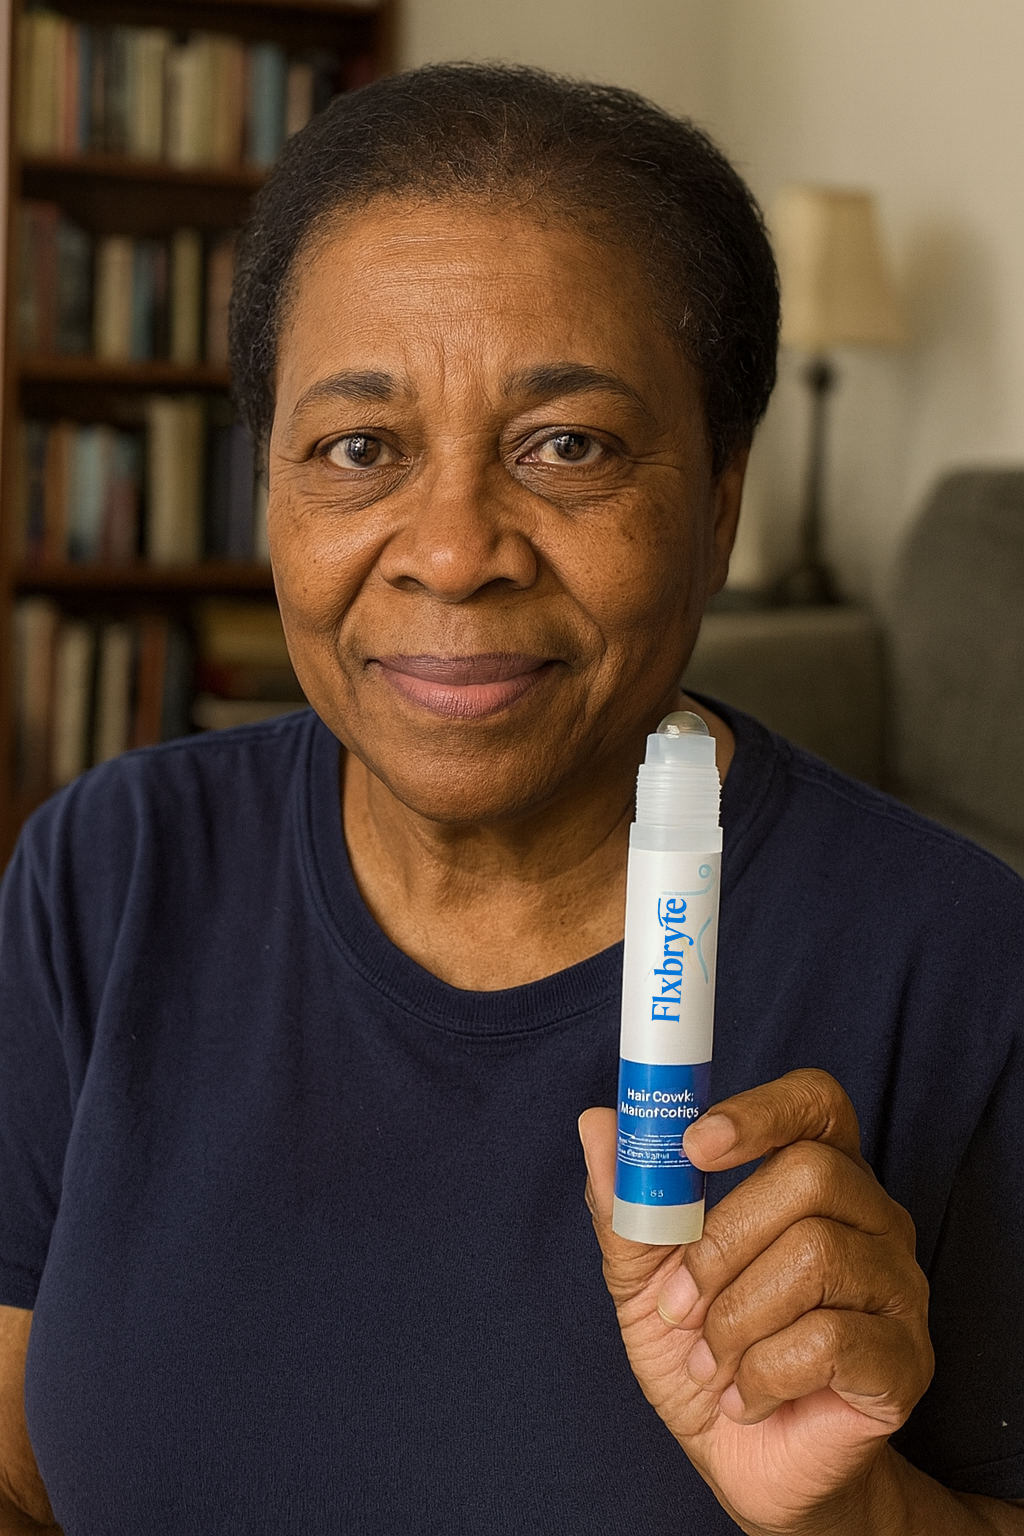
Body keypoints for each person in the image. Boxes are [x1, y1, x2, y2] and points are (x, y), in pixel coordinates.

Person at [0, 63, 1022, 1536]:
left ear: (721, 500)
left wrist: (860, 1514)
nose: (455, 548)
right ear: (270, 492)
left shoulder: (963, 963)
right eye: (361, 449)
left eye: (570, 447)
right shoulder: (107, 873)